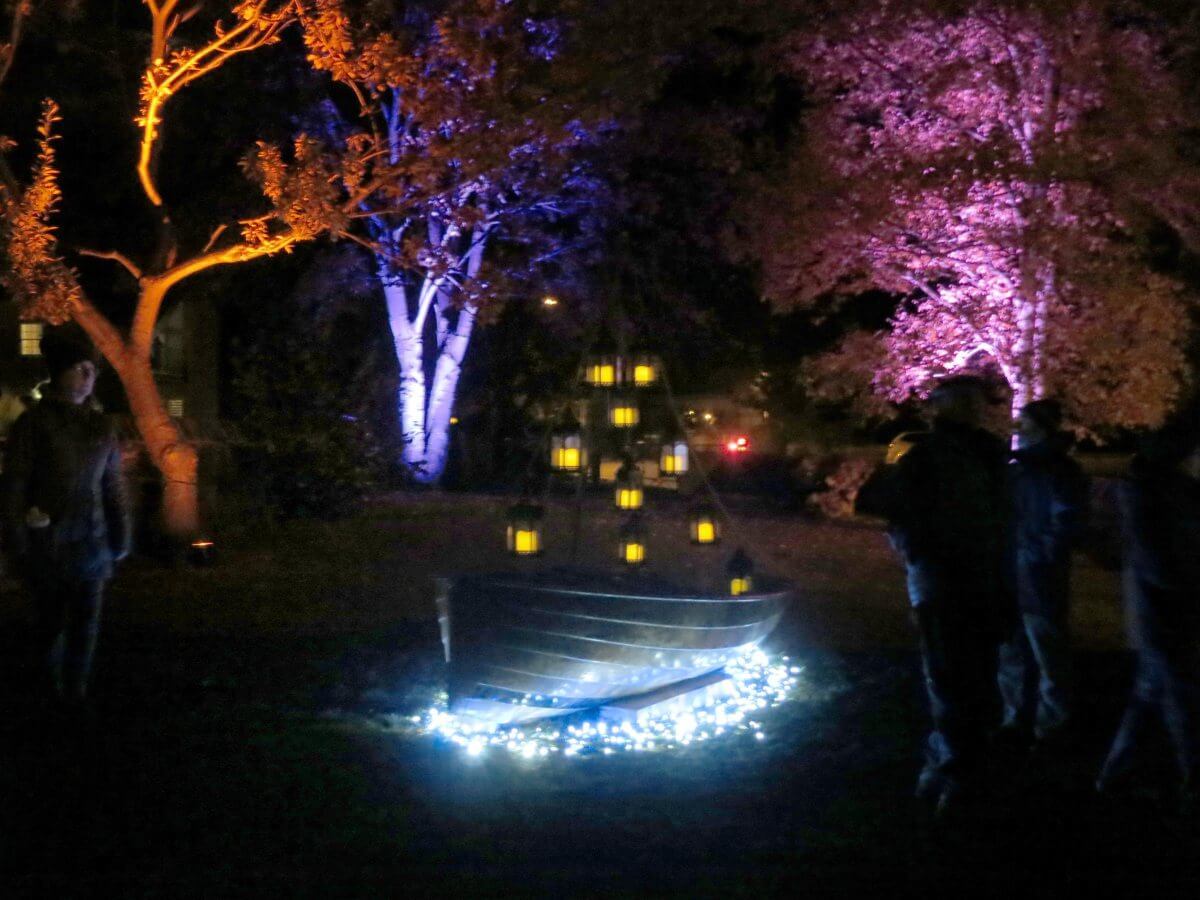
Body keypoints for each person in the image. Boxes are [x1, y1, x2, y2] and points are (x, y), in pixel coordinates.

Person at [856, 375, 1013, 812]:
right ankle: (961, 766)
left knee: (959, 675)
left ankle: (956, 770)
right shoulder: (951, 450)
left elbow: (875, 499)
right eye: (970, 402)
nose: (977, 410)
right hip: (962, 577)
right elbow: (878, 498)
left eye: (977, 402)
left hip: (958, 578)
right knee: (965, 674)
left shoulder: (964, 451)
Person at [1, 328, 131, 706]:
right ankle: (48, 695)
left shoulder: (101, 427)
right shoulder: (34, 425)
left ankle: (76, 695)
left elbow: (112, 487)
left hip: (92, 544)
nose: (88, 376)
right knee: (50, 625)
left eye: (92, 369)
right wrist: (21, 544)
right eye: (80, 368)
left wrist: (121, 538)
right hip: (49, 547)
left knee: (85, 627)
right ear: (59, 373)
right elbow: (15, 487)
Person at [1095, 423, 1200, 807]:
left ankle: (1115, 776)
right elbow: (1162, 566)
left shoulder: (1169, 493)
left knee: (1152, 695)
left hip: (1165, 616)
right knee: (1184, 702)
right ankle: (1192, 782)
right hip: (1165, 617)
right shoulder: (1156, 497)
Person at [996, 399, 1089, 746]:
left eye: (1024, 420)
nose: (1017, 426)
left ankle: (1053, 722)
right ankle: (1015, 717)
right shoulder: (1018, 467)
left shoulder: (1059, 470)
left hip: (1038, 573)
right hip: (1013, 571)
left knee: (1047, 647)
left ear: (1041, 426)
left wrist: (1040, 554)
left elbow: (1066, 522)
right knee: (1012, 647)